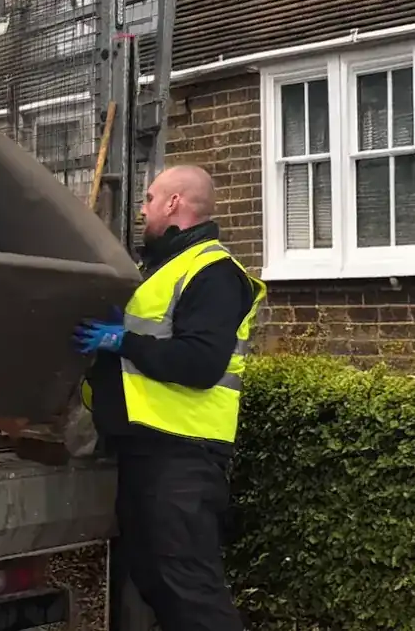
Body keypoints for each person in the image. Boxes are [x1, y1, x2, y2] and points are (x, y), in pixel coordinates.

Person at [72, 164, 266, 631]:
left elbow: (200, 364)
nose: (144, 209)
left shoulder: (214, 272)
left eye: (150, 198)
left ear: (175, 203)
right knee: (157, 580)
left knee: (190, 591)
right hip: (150, 451)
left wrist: (123, 342)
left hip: (184, 455)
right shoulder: (163, 268)